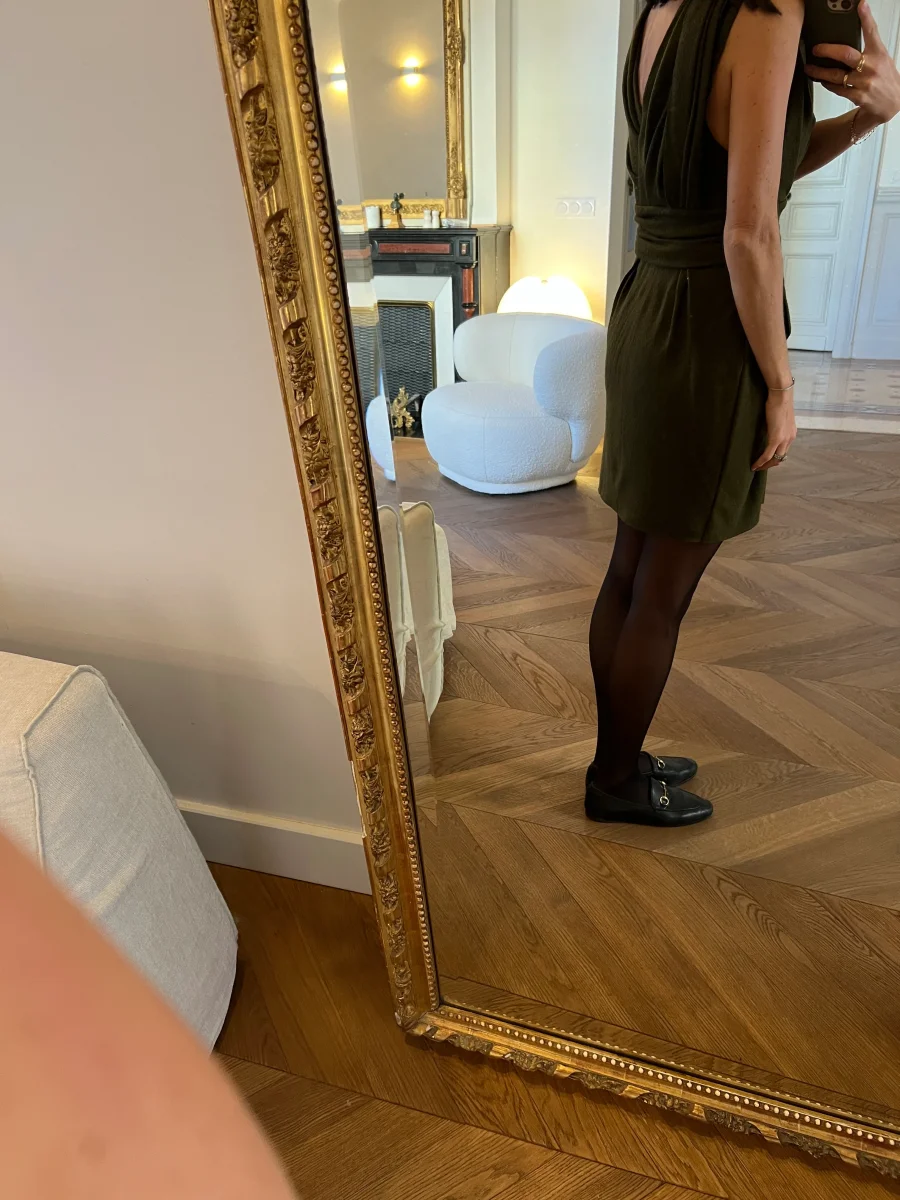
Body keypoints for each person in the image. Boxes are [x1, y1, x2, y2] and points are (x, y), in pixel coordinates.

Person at [587, 0, 900, 827]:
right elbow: (749, 231)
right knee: (661, 589)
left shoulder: (664, 7)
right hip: (704, 330)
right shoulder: (767, 12)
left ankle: (616, 758)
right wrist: (782, 389)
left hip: (650, 307)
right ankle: (614, 782)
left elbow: (754, 170)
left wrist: (868, 119)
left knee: (631, 568)